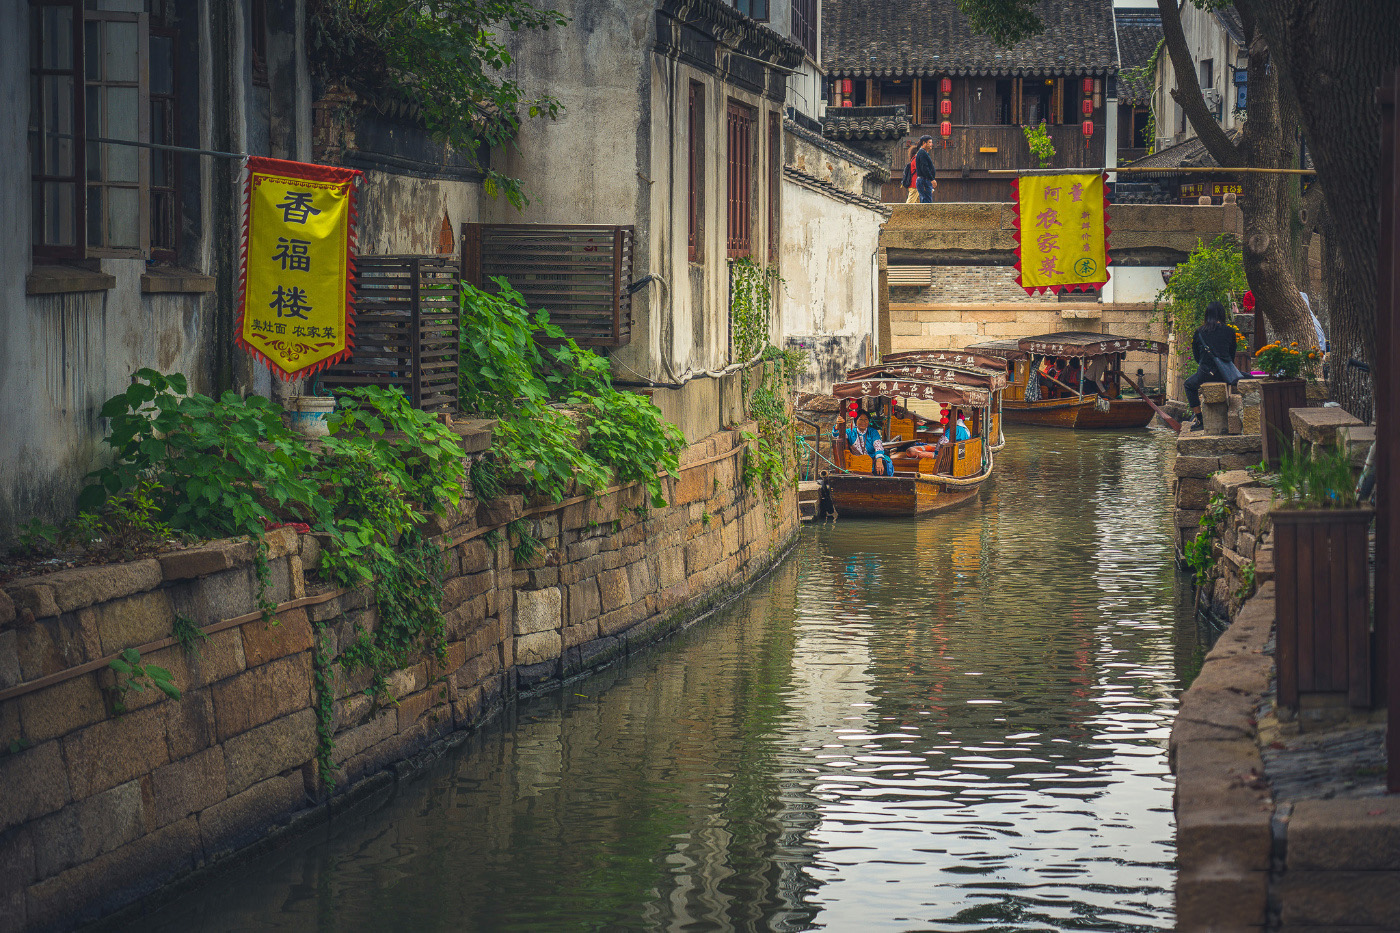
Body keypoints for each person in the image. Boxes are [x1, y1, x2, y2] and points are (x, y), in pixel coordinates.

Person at [1185, 300, 1242, 430]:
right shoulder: (1230, 331)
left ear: (1207, 314)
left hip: (1205, 374)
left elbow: (1197, 357)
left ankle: (1199, 420)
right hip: (1225, 375)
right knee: (1246, 376)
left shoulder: (1199, 332)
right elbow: (1231, 355)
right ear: (1222, 314)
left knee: (1188, 385)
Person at [833, 409, 894, 476]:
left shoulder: (873, 432)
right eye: (860, 419)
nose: (863, 422)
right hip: (856, 462)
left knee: (882, 467)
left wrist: (879, 461)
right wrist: (837, 426)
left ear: (868, 421)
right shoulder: (850, 432)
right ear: (856, 421)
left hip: (872, 460)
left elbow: (878, 446)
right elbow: (836, 435)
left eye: (866, 419)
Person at [915, 136, 939, 203]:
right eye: (929, 142)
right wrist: (932, 179)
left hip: (923, 180)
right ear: (924, 143)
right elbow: (924, 167)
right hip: (924, 180)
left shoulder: (923, 153)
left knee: (925, 200)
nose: (931, 144)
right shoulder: (922, 153)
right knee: (926, 201)